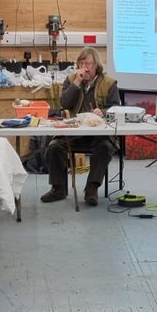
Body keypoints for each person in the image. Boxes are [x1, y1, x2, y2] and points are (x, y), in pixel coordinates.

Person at [41, 46, 121, 206]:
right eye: (81, 63)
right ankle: (59, 188)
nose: (85, 67)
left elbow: (116, 108)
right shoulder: (71, 80)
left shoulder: (109, 83)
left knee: (105, 148)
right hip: (74, 132)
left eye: (88, 63)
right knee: (54, 147)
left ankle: (92, 188)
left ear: (96, 65)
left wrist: (103, 112)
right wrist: (77, 83)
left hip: (99, 134)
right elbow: (64, 103)